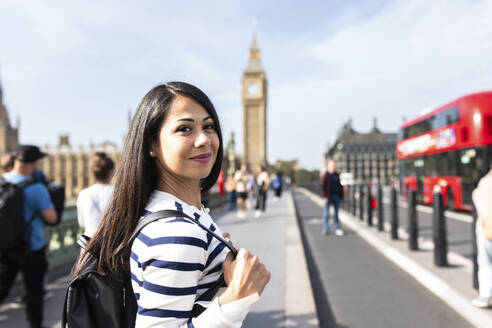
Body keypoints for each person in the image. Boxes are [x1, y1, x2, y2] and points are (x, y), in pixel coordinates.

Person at [73, 82, 270, 327]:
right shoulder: (177, 232)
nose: (203, 139)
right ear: (151, 145)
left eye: (208, 126)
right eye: (185, 129)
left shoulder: (172, 212)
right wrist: (235, 300)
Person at [0, 145, 58, 328]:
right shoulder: (37, 189)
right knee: (34, 292)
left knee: (2, 289)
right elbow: (52, 217)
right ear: (33, 163)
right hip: (31, 248)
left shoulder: (2, 183)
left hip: (5, 247)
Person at [76, 152, 115, 237]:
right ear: (112, 172)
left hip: (89, 244)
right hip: (113, 243)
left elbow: (81, 223)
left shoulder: (84, 194)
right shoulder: (119, 193)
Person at [471, 167, 492, 308]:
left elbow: (476, 197)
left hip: (486, 230)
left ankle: (485, 295)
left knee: (485, 263)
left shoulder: (485, 183)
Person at [321, 159, 344, 236]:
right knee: (326, 214)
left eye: (334, 165)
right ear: (328, 166)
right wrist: (324, 196)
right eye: (332, 165)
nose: (333, 166)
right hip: (328, 196)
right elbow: (323, 186)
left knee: (336, 214)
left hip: (336, 196)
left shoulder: (337, 175)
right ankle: (325, 228)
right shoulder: (326, 175)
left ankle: (338, 228)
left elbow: (340, 186)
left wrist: (341, 196)